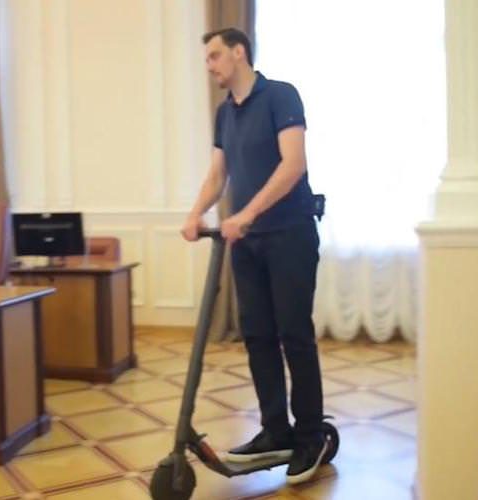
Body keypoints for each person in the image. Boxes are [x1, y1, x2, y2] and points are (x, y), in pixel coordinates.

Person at [180, 27, 326, 485]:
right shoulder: (225, 113)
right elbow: (217, 174)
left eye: (214, 55)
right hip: (246, 242)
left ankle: (310, 436)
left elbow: (293, 164)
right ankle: (275, 430)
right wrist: (195, 213)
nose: (209, 65)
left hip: (289, 234)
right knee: (258, 336)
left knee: (294, 334)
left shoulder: (281, 96)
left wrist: (246, 213)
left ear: (238, 52)